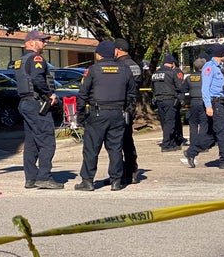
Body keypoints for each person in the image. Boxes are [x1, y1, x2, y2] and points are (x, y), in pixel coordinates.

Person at [74, 41, 137, 191]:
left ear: (99, 54)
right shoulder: (125, 69)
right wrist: (127, 110)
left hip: (97, 113)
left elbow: (82, 95)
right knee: (115, 148)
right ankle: (116, 180)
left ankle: (87, 181)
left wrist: (80, 116)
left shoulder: (93, 70)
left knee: (91, 148)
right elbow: (132, 93)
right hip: (117, 114)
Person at [14, 29, 64, 189]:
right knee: (47, 141)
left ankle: (31, 178)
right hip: (36, 103)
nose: (45, 43)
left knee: (31, 142)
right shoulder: (36, 58)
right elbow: (37, 79)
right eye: (42, 40)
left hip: (25, 103)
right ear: (31, 42)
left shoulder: (20, 60)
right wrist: (50, 94)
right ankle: (44, 177)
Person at [184, 44, 224, 169]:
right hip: (214, 104)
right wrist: (208, 106)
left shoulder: (219, 67)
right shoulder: (209, 67)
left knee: (212, 135)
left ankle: (191, 152)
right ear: (222, 54)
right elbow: (205, 88)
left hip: (219, 102)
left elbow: (217, 87)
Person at [114, 38, 142, 184]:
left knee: (117, 142)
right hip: (130, 107)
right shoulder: (135, 65)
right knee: (128, 140)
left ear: (117, 50)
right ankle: (132, 171)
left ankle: (121, 173)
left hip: (119, 107)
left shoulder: (120, 65)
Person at [151, 54, 184, 152]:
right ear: (172, 63)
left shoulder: (155, 73)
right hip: (170, 100)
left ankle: (171, 142)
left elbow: (152, 87)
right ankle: (166, 145)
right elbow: (179, 87)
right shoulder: (172, 72)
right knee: (170, 122)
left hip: (158, 100)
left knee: (164, 122)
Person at [180, 57, 208, 167]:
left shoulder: (189, 77)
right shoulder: (206, 76)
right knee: (204, 125)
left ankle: (193, 144)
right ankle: (201, 145)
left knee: (193, 125)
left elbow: (183, 89)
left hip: (193, 103)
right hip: (204, 102)